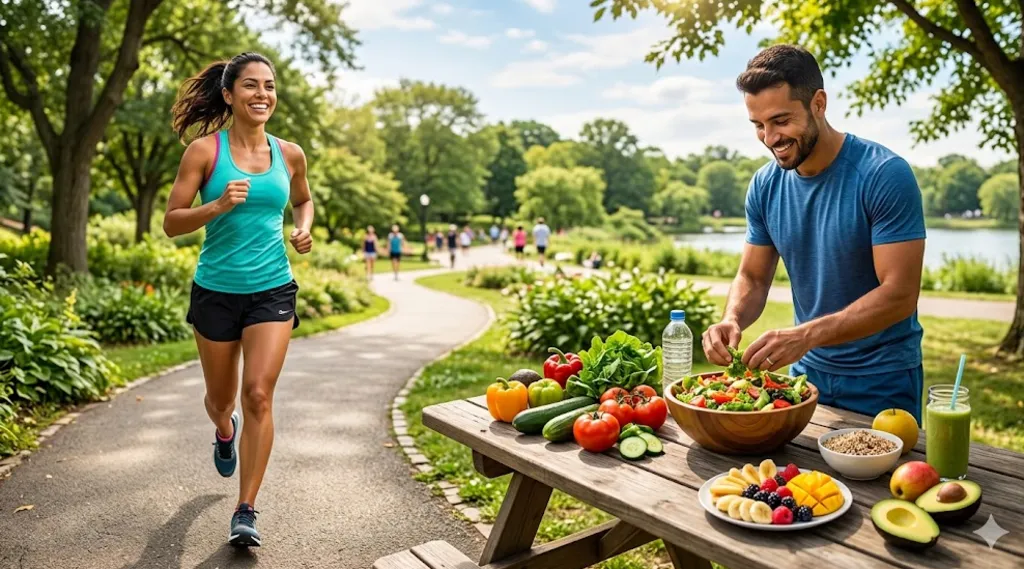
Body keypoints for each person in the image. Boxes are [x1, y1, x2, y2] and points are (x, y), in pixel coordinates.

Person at [701, 45, 926, 423]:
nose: (770, 137)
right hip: (806, 377)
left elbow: (899, 295)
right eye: (758, 125)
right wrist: (733, 319)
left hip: (881, 378)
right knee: (803, 482)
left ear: (818, 103)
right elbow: (753, 277)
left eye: (781, 120)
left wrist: (805, 335)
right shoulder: (765, 186)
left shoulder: (884, 174)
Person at [165, 52, 314, 548]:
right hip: (216, 292)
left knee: (258, 394)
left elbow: (303, 198)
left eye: (269, 86)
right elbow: (172, 222)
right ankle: (223, 430)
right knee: (222, 400)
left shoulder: (289, 152)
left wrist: (302, 227)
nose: (262, 95)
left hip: (272, 288)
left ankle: (245, 510)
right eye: (250, 86)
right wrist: (218, 204)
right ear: (228, 95)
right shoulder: (204, 152)